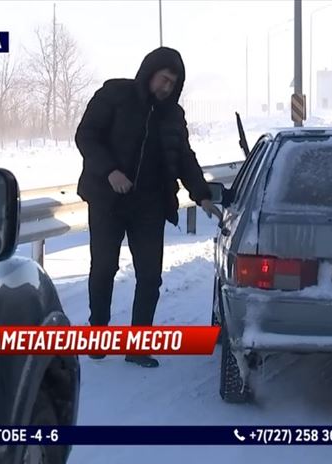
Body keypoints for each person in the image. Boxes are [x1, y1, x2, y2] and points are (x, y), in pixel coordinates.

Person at [75, 46, 222, 368]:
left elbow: (184, 156)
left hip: (150, 204)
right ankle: (97, 335)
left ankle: (138, 346)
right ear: (150, 72)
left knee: (150, 275)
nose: (166, 88)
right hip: (108, 199)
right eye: (163, 79)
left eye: (173, 84)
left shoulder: (173, 114)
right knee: (103, 269)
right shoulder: (115, 94)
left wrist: (202, 193)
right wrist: (110, 171)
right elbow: (86, 136)